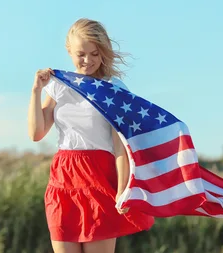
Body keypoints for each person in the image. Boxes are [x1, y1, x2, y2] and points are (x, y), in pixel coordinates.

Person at [28, 18, 154, 253]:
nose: (88, 61)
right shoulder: (58, 85)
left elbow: (120, 146)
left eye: (95, 53)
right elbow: (36, 133)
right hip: (63, 179)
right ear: (69, 51)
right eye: (81, 54)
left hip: (100, 177)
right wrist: (36, 90)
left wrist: (123, 188)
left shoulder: (112, 88)